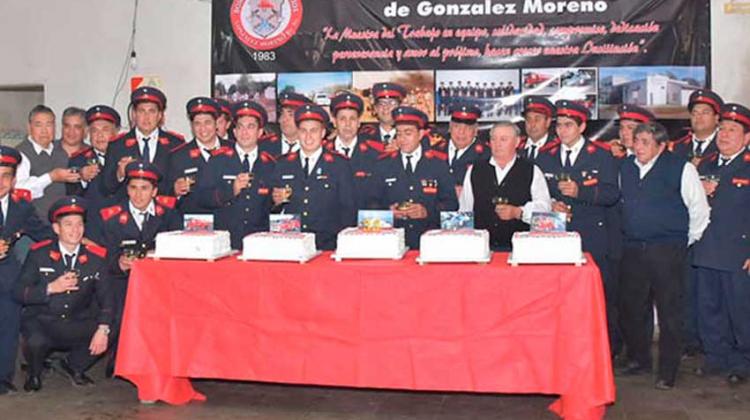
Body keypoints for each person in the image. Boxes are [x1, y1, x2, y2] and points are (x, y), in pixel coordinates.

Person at [618, 121, 710, 390]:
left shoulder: (682, 168)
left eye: (645, 142)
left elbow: (699, 211)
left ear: (662, 145)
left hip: (668, 251)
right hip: (634, 249)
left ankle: (667, 371)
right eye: (636, 141)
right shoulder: (626, 167)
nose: (638, 147)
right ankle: (639, 360)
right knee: (633, 309)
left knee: (670, 313)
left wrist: (683, 242)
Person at [535, 100, 620, 352]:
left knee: (598, 298)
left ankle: (605, 350)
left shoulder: (601, 155)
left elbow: (611, 194)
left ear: (582, 126)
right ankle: (562, 348)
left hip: (592, 236)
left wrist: (580, 191)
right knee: (558, 298)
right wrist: (551, 203)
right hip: (556, 236)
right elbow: (536, 192)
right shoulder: (546, 156)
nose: (562, 131)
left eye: (568, 125)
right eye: (559, 125)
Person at [91, 161, 182, 376]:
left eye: (144, 188)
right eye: (133, 188)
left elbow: (178, 246)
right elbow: (101, 255)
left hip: (158, 281)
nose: (138, 195)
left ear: (155, 191)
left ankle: (157, 359)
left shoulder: (168, 214)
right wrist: (119, 263)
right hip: (121, 280)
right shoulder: (110, 217)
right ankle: (120, 356)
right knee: (118, 312)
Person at [14, 196, 112, 392]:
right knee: (34, 339)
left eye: (79, 224)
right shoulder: (38, 253)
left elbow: (107, 297)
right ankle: (34, 372)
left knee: (114, 326)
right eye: (68, 224)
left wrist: (103, 329)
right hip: (45, 320)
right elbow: (19, 292)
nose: (75, 230)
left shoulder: (96, 257)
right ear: (56, 228)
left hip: (77, 320)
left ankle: (73, 365)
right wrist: (50, 288)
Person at [692, 103, 750, 385]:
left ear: (747, 137)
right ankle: (716, 357)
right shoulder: (705, 163)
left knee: (741, 310)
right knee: (709, 308)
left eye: (733, 130)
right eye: (723, 129)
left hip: (739, 252)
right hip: (706, 247)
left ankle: (743, 361)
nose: (725, 135)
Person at [0, 147, 53, 395]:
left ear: (13, 179)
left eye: (6, 176)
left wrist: (71, 238)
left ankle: (3, 377)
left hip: (7, 274)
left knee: (9, 325)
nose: (1, 182)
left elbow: (44, 234)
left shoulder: (20, 206)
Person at [270, 104, 355, 250]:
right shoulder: (282, 163)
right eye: (303, 131)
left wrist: (342, 246)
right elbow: (271, 208)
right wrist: (275, 202)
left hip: (327, 245)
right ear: (297, 132)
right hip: (292, 243)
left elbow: (348, 210)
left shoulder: (339, 164)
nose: (308, 136)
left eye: (314, 131)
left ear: (323, 133)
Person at [372, 106, 457, 249]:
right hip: (391, 242)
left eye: (408, 133)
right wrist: (388, 212)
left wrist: (427, 212)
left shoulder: (438, 164)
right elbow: (371, 202)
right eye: (398, 134)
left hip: (429, 242)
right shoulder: (383, 165)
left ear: (421, 134)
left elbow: (451, 204)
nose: (402, 139)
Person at [459, 122, 550, 250]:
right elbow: (465, 210)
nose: (497, 144)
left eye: (503, 139)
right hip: (482, 249)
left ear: (517, 142)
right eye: (493, 139)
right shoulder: (475, 170)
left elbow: (544, 208)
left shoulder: (531, 170)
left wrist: (519, 212)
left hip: (521, 249)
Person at [199, 101, 276, 249]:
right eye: (240, 127)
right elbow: (201, 198)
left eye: (250, 127)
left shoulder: (270, 164)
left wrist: (277, 201)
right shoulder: (217, 160)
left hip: (259, 244)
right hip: (225, 243)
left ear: (260, 132)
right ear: (234, 132)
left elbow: (271, 207)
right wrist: (230, 191)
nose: (244, 132)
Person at [102, 86, 184, 197]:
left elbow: (179, 185)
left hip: (164, 210)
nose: (146, 117)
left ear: (160, 115)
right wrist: (119, 174)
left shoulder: (176, 144)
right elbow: (105, 187)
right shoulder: (117, 145)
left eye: (151, 111)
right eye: (141, 111)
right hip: (127, 212)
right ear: (134, 115)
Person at [167, 97, 232, 215]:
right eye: (197, 124)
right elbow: (165, 194)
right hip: (194, 225)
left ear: (216, 123)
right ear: (191, 125)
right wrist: (174, 190)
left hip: (228, 223)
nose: (203, 129)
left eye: (207, 122)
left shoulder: (234, 150)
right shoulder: (178, 156)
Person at [16, 105, 81, 219]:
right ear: (29, 127)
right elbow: (19, 189)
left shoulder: (61, 151)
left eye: (49, 124)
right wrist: (51, 177)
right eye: (38, 125)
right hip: (32, 226)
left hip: (60, 222)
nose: (44, 131)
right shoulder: (21, 153)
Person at [323, 92, 383, 210]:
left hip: (364, 223)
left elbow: (380, 196)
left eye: (352, 119)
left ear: (359, 122)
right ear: (334, 122)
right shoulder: (322, 152)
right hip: (329, 225)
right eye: (342, 119)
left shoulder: (375, 154)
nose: (348, 124)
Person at [67, 105, 121, 217]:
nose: (99, 135)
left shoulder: (125, 157)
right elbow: (71, 196)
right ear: (88, 134)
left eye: (105, 129)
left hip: (121, 223)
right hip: (93, 224)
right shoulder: (77, 160)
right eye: (94, 130)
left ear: (116, 132)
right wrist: (82, 179)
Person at [444, 103, 489, 196]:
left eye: (467, 128)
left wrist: (467, 192)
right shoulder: (434, 151)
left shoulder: (486, 155)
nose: (461, 132)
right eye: (457, 126)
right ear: (450, 127)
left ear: (476, 130)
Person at [670, 89, 723, 165]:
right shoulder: (676, 146)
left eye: (705, 113)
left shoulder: (725, 144)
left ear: (716, 118)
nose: (699, 117)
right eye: (695, 113)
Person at [259, 92, 311, 158]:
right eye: (282, 113)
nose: (284, 119)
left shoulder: (315, 148)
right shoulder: (262, 147)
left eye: (291, 114)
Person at [360, 82, 407, 149]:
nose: (386, 107)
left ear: (400, 107)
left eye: (392, 103)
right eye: (381, 103)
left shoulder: (411, 138)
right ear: (375, 108)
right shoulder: (363, 137)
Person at [518, 96, 556, 161]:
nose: (532, 124)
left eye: (537, 119)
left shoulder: (558, 150)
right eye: (528, 119)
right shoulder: (515, 147)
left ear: (548, 122)